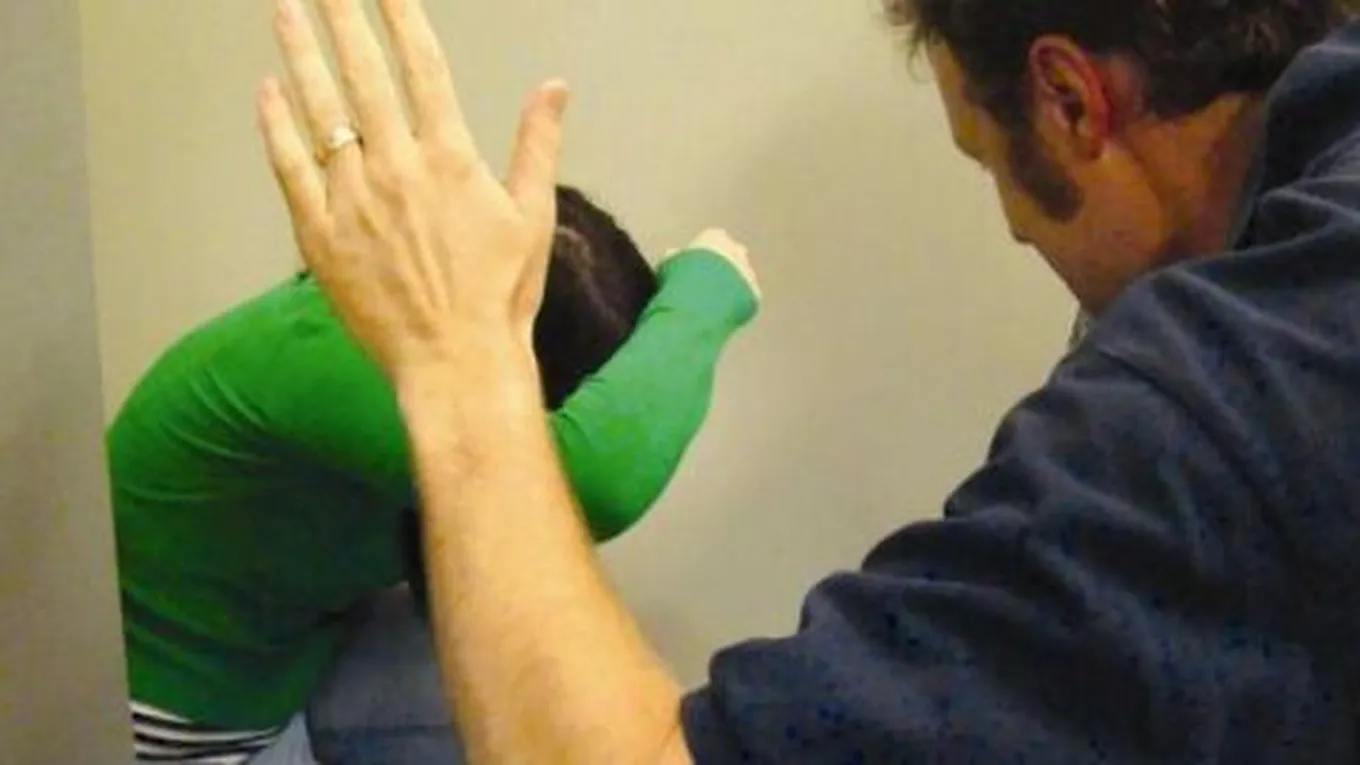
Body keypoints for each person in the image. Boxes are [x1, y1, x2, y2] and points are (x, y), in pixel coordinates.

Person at [259, 0, 1360, 762]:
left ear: (1071, 99)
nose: (1017, 231)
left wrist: (454, 352)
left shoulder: (1227, 398)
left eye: (987, 162)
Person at [108, 180, 759, 761]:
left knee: (562, 701)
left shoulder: (409, 329)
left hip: (289, 658)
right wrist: (708, 286)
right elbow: (590, 484)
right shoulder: (350, 354)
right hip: (183, 721)